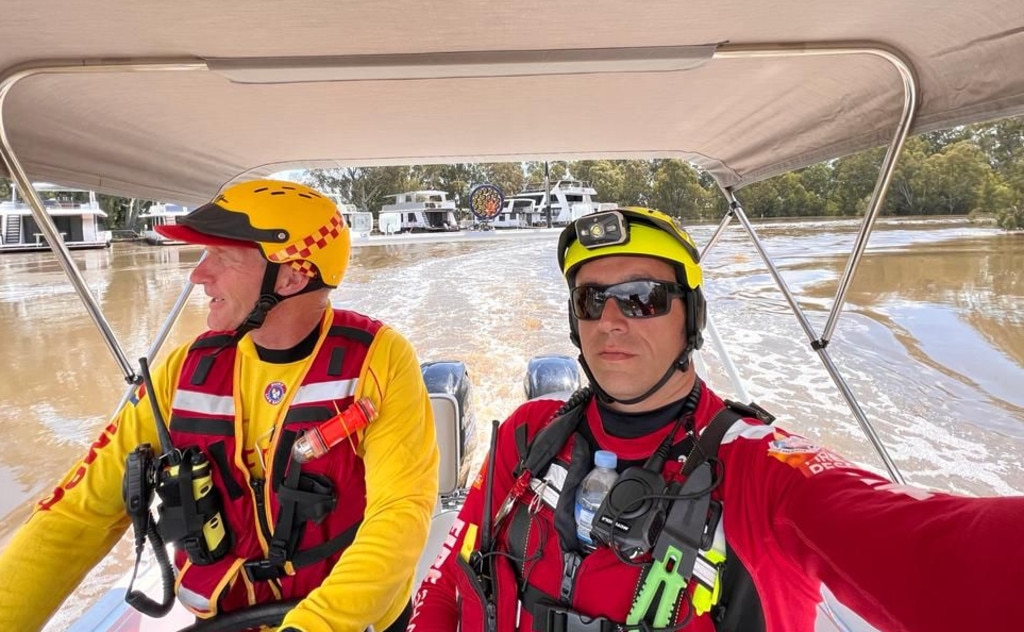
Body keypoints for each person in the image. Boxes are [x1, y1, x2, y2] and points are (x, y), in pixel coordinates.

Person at [409, 206, 1024, 632]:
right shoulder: (529, 433)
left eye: (643, 298)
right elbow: (446, 581)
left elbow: (940, 551)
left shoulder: (761, 467)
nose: (611, 321)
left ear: (690, 318)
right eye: (591, 299)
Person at [0, 179, 439, 632]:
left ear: (291, 275)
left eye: (223, 257)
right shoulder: (182, 372)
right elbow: (79, 513)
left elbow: (400, 512)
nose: (197, 274)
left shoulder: (380, 360)